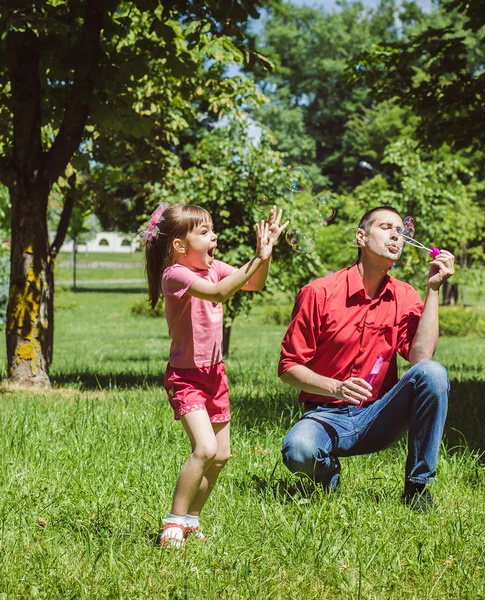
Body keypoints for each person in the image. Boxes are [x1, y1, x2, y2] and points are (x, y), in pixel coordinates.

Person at [278, 206, 454, 512]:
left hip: (377, 415)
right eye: (387, 227)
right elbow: (288, 368)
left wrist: (433, 290)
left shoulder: (405, 295)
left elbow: (421, 357)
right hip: (325, 415)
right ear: (361, 237)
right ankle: (327, 477)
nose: (396, 236)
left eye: (401, 231)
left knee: (433, 373)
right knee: (299, 451)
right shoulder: (319, 293)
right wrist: (335, 387)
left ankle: (417, 487)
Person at [143, 202, 287, 547]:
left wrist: (264, 256)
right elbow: (222, 292)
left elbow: (253, 284)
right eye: (204, 232)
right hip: (186, 377)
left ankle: (192, 519)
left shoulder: (213, 268)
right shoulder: (175, 274)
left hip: (215, 374)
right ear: (180, 245)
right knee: (205, 448)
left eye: (212, 230)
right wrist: (256, 255)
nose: (214, 236)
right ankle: (173, 521)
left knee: (221, 455)